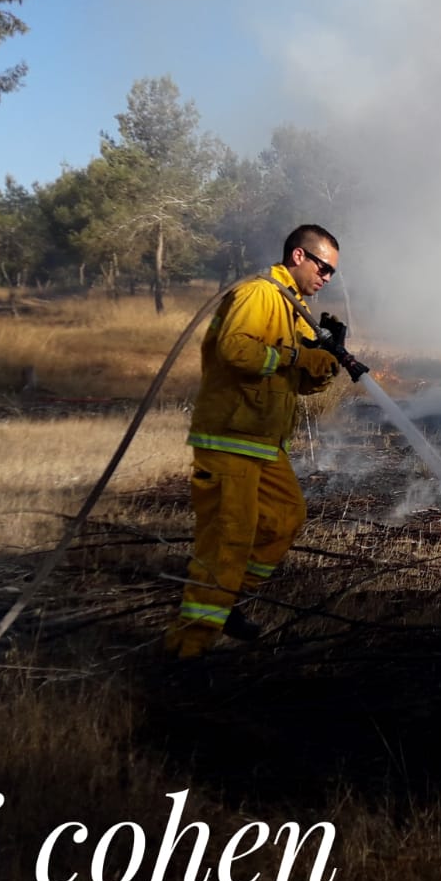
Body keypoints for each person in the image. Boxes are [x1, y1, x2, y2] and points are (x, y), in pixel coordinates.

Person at [163, 223, 345, 659]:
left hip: (262, 442)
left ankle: (227, 599)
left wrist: (325, 364)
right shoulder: (260, 293)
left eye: (332, 273)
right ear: (299, 256)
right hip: (230, 438)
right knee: (229, 539)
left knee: (285, 518)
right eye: (323, 267)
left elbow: (292, 382)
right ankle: (187, 651)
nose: (327, 277)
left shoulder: (293, 308)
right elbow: (235, 351)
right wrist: (298, 355)